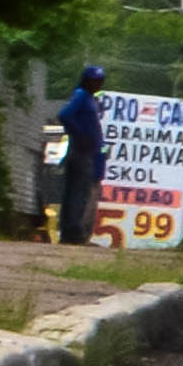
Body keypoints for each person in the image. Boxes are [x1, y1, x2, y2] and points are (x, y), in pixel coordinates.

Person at [55, 65, 114, 248]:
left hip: (87, 152)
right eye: (94, 80)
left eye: (100, 81)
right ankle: (74, 234)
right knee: (78, 193)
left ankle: (70, 233)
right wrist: (80, 135)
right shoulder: (81, 95)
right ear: (86, 80)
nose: (98, 84)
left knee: (77, 191)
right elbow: (64, 115)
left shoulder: (90, 99)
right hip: (80, 151)